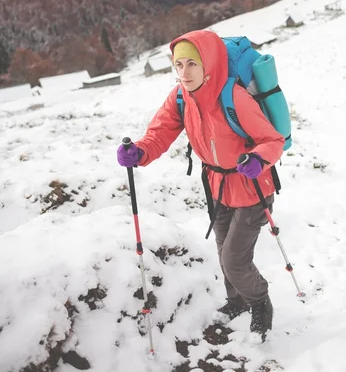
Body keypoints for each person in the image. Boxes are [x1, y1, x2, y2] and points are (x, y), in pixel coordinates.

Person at [117, 29, 285, 337]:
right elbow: (160, 134)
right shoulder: (181, 97)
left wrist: (258, 159)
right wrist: (139, 152)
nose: (184, 72)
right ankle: (237, 300)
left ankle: (260, 301)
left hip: (252, 188)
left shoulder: (233, 96)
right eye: (178, 65)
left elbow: (271, 139)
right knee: (224, 251)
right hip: (218, 186)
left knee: (234, 259)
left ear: (208, 63)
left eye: (192, 64)